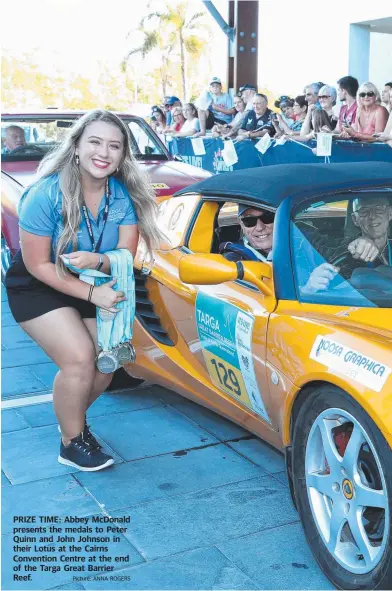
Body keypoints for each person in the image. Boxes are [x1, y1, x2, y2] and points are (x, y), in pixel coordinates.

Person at [4, 109, 163, 472]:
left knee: (106, 362)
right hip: (39, 282)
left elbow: (125, 253)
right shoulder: (43, 194)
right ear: (76, 145)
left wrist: (100, 261)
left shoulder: (122, 197)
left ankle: (69, 415)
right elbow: (38, 264)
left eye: (114, 145)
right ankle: (72, 441)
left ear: (123, 155)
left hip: (95, 279)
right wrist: (94, 294)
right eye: (94, 141)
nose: (103, 152)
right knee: (78, 359)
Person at [302, 196, 392, 294]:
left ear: (390, 213)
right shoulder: (336, 251)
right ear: (355, 219)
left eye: (379, 209)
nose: (372, 216)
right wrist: (309, 288)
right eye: (364, 211)